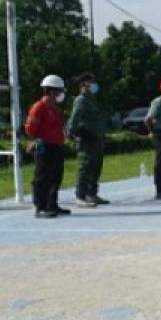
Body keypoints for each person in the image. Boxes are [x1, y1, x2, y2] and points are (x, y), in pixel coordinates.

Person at [25, 74, 70, 218]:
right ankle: (40, 207)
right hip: (44, 146)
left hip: (56, 146)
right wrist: (36, 140)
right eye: (59, 91)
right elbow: (30, 128)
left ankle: (52, 204)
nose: (61, 94)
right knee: (42, 177)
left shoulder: (54, 108)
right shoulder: (39, 107)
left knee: (56, 176)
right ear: (51, 91)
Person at [68, 72, 110, 207]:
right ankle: (80, 195)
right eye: (90, 83)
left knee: (96, 166)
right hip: (87, 139)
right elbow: (75, 118)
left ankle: (91, 193)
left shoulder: (91, 99)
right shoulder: (81, 100)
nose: (93, 85)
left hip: (97, 138)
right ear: (83, 85)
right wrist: (71, 133)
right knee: (85, 167)